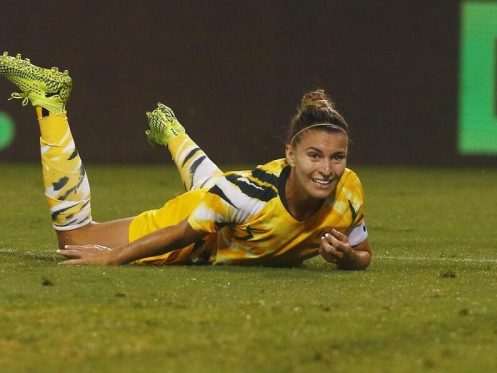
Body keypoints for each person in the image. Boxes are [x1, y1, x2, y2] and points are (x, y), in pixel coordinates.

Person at [0, 52, 371, 270]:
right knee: (73, 239)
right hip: (197, 233)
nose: (327, 169)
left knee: (222, 198)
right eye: (314, 156)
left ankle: (172, 131)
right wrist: (112, 258)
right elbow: (182, 232)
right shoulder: (246, 197)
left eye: (337, 157)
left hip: (223, 201)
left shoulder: (348, 190)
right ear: (290, 154)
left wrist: (348, 258)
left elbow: (364, 253)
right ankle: (50, 104)